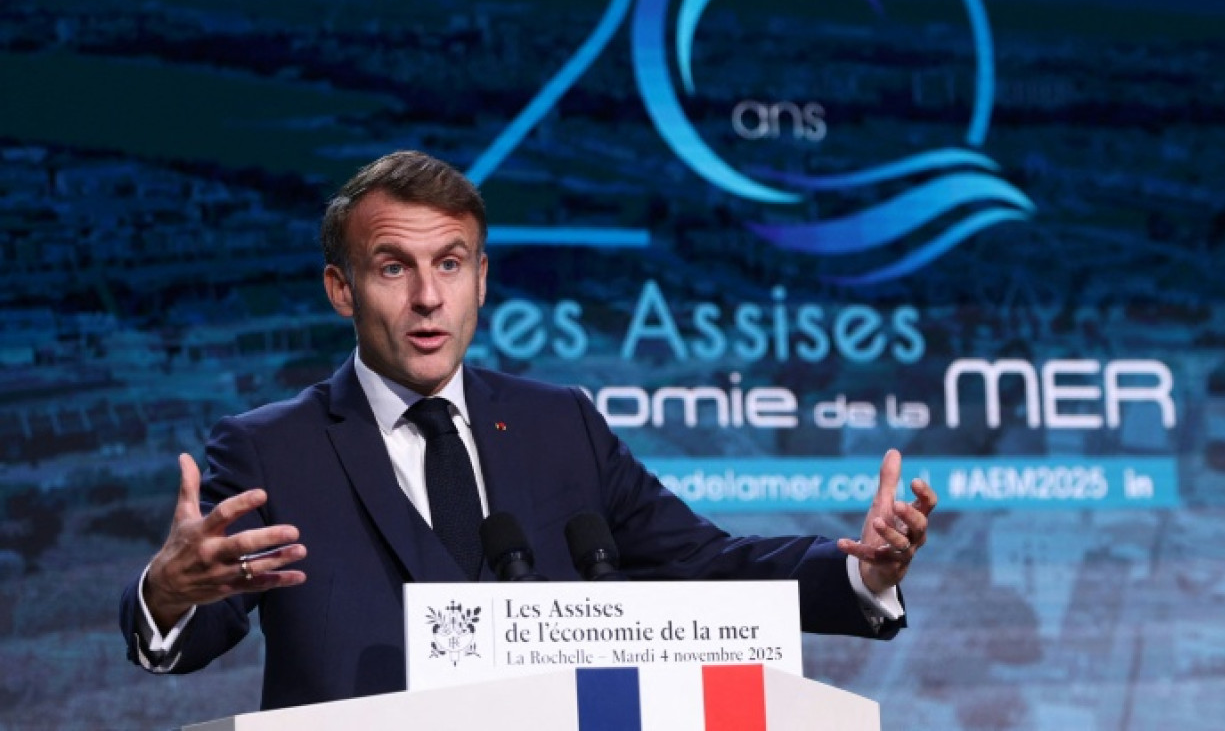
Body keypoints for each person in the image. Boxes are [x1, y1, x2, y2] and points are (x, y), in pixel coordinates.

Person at [119, 150, 937, 711]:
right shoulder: (271, 448)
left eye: (450, 263)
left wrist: (859, 572)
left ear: (482, 278)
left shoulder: (561, 424)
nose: (428, 298)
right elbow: (194, 629)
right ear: (342, 288)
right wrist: (165, 594)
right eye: (394, 266)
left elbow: (704, 564)